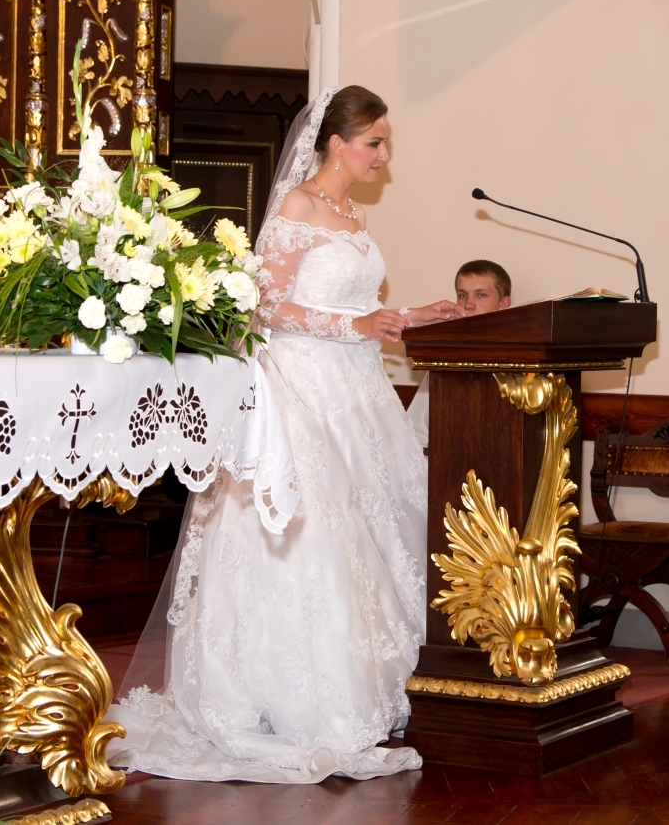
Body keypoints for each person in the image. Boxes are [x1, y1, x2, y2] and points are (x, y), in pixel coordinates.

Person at [106, 86, 464, 783]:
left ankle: (381, 684)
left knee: (374, 526)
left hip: (356, 391)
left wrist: (413, 315)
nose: (382, 157)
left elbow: (353, 305)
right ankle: (300, 701)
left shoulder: (354, 215)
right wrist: (355, 325)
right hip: (300, 390)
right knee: (317, 533)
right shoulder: (297, 206)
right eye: (374, 143)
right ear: (336, 143)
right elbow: (266, 306)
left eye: (384, 144)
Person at [406, 260, 512, 446]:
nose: (468, 304)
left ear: (504, 303)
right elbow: (417, 432)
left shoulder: (522, 356)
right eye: (462, 295)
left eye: (480, 295)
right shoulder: (443, 358)